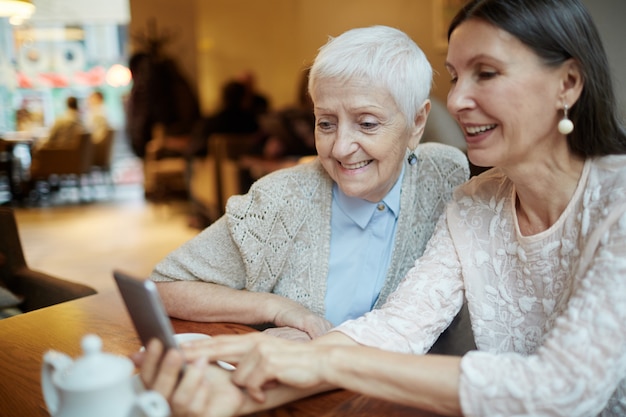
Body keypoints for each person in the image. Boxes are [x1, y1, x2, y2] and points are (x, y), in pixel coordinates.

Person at [135, 1, 626, 416]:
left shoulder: (617, 201)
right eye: (455, 77)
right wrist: (239, 395)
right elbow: (395, 328)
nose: (457, 99)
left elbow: (564, 387)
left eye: (487, 73)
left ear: (568, 83)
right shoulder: (475, 203)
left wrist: (323, 362)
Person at [148, 25, 470, 343]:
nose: (341, 148)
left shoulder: (446, 175)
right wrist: (276, 307)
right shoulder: (278, 202)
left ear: (417, 123)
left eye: (367, 124)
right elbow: (163, 287)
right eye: (326, 123)